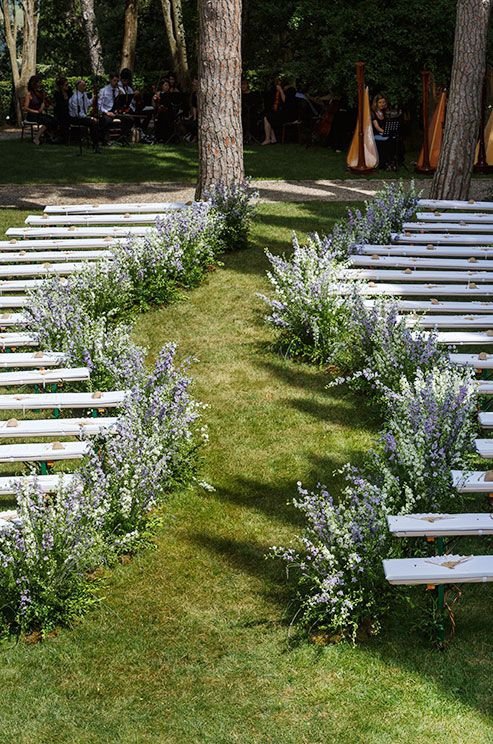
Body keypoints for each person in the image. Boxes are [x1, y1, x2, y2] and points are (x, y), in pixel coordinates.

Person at [98, 72, 132, 144]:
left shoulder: (120, 90)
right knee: (107, 121)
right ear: (110, 80)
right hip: (107, 112)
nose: (116, 82)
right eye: (114, 80)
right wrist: (107, 112)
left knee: (129, 119)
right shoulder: (103, 90)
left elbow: (123, 103)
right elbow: (99, 105)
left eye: (117, 81)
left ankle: (121, 137)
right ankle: (105, 139)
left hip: (116, 112)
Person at [22, 75, 56, 145]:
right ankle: (36, 138)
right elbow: (25, 108)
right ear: (34, 83)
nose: (40, 84)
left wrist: (45, 103)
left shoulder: (40, 93)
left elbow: (46, 104)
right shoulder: (29, 94)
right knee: (48, 121)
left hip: (39, 115)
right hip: (32, 115)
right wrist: (36, 111)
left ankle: (48, 136)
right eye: (39, 82)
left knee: (53, 120)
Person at [68, 79, 101, 152]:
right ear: (78, 87)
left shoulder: (84, 94)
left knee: (98, 119)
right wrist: (90, 118)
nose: (85, 87)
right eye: (83, 85)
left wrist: (94, 97)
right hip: (75, 118)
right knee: (93, 122)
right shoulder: (75, 98)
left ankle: (98, 140)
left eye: (85, 85)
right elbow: (78, 113)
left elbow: (88, 104)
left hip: (82, 116)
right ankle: (95, 144)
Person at [262, 76, 285, 145]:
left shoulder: (287, 90)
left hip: (285, 113)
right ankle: (273, 138)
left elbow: (285, 101)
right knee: (268, 116)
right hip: (276, 111)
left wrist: (281, 90)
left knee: (267, 118)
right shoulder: (273, 90)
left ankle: (268, 139)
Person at [371, 94, 391, 169]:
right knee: (386, 140)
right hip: (375, 134)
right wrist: (386, 132)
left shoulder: (384, 112)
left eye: (383, 102)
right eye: (380, 102)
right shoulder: (372, 113)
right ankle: (382, 163)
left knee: (395, 139)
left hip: (383, 133)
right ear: (375, 103)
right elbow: (377, 127)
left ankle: (391, 160)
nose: (382, 104)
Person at [53, 76, 72, 143]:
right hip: (60, 112)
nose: (68, 86)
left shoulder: (69, 91)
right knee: (64, 118)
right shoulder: (57, 94)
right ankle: (64, 138)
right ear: (61, 86)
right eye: (66, 85)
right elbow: (59, 105)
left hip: (69, 111)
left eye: (68, 84)